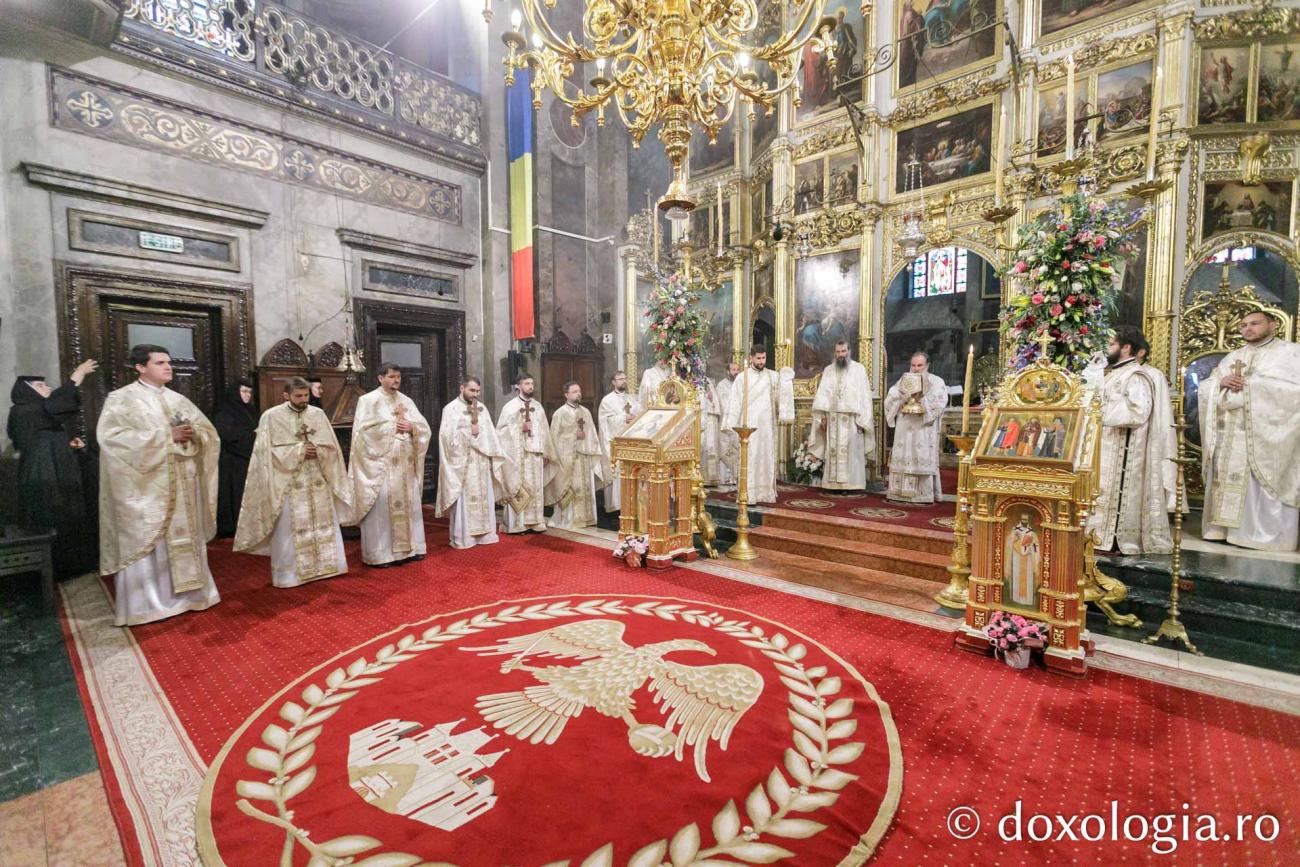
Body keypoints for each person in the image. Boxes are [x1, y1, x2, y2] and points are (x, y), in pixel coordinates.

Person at [98, 345, 221, 626]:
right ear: (140, 367)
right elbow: (113, 439)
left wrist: (195, 435)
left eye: (169, 362)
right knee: (151, 542)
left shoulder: (179, 399)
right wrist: (167, 436)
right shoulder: (121, 400)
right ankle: (148, 605)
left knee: (184, 540)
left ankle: (192, 596)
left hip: (183, 484)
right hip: (147, 488)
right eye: (160, 363)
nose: (168, 368)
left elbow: (208, 433)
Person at [235, 378, 351, 587]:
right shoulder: (271, 417)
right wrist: (298, 451)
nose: (304, 400)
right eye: (298, 396)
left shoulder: (318, 415)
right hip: (288, 482)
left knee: (323, 523)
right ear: (286, 396)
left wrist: (318, 449)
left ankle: (328, 566)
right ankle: (290, 575)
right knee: (289, 527)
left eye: (306, 395)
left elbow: (331, 446)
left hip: (317, 478)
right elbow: (264, 454)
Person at [1200, 310, 1300, 550]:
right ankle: (1224, 530)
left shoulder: (1290, 353)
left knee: (1260, 484)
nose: (1248, 329)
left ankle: (1262, 536)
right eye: (1244, 325)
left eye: (1255, 323)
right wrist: (1219, 384)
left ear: (1273, 324)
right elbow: (1208, 386)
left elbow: (1295, 392)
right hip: (1230, 437)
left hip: (1267, 437)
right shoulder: (1234, 357)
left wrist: (1253, 386)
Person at [1087, 327, 1175, 554]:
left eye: (1112, 344)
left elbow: (1138, 412)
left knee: (1115, 491)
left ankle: (1115, 540)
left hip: (1123, 449)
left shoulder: (1135, 375)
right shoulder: (1115, 373)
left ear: (1126, 347)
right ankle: (1099, 537)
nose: (1108, 350)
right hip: (1106, 446)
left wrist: (1098, 414)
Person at [8, 359, 100, 577]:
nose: (48, 388)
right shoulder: (24, 410)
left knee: (69, 514)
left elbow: (44, 437)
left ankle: (73, 565)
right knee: (52, 516)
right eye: (41, 386)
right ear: (28, 392)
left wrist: (68, 446)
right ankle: (57, 569)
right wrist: (77, 375)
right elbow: (57, 405)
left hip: (56, 472)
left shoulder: (35, 412)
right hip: (44, 476)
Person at [350, 363, 432, 566]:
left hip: (405, 466)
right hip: (381, 467)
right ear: (380, 378)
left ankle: (411, 549)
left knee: (408, 506)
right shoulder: (368, 401)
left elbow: (424, 428)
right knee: (382, 510)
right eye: (392, 376)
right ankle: (381, 555)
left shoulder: (406, 401)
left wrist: (412, 427)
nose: (396, 380)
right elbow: (362, 434)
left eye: (399, 377)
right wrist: (391, 427)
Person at [436, 376, 515, 548]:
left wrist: (492, 454)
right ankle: (465, 537)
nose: (475, 394)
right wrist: (468, 432)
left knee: (484, 498)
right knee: (465, 500)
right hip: (463, 464)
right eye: (472, 390)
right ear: (462, 388)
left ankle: (486, 535)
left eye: (477, 391)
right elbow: (446, 438)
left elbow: (491, 435)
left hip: (481, 462)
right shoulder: (451, 409)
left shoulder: (482, 408)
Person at [720, 347, 795, 504]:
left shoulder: (772, 376)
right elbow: (735, 400)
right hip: (749, 427)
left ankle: (765, 493)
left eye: (763, 358)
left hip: (767, 426)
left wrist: (787, 379)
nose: (761, 361)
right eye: (758, 358)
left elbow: (782, 396)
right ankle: (748, 494)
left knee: (766, 456)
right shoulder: (742, 377)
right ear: (752, 358)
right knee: (750, 457)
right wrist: (730, 423)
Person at [808, 341, 875, 491]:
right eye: (838, 352)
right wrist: (823, 416)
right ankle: (832, 485)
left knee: (852, 453)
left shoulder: (859, 370)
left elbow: (864, 396)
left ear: (849, 351)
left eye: (843, 351)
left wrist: (862, 419)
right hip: (833, 419)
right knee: (833, 452)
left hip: (851, 420)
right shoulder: (829, 370)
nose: (840, 355)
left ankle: (851, 485)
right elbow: (822, 395)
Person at [883, 351, 948, 504]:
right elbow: (889, 401)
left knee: (920, 456)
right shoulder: (903, 381)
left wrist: (922, 401)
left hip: (923, 429)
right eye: (913, 365)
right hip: (904, 429)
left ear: (927, 366)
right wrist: (901, 399)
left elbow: (939, 402)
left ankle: (922, 495)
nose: (916, 369)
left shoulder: (936, 382)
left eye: (920, 365)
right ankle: (898, 493)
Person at [497, 373, 554, 533]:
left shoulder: (538, 407)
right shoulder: (510, 407)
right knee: (517, 486)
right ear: (518, 387)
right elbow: (500, 432)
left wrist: (546, 453)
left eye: (532, 384)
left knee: (535, 488)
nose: (530, 387)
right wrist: (519, 428)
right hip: (517, 456)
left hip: (535, 456)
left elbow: (545, 431)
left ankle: (535, 522)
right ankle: (517, 524)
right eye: (527, 383)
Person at [545, 382, 607, 529]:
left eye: (579, 391)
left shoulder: (585, 412)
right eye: (574, 391)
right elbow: (553, 439)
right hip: (567, 459)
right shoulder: (560, 413)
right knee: (569, 487)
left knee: (584, 487)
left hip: (584, 458)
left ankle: (585, 518)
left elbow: (591, 433)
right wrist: (573, 436)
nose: (578, 394)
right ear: (566, 395)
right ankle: (567, 519)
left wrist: (591, 449)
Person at [213, 379, 257, 538]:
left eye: (250, 392)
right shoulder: (224, 412)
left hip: (250, 458)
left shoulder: (251, 411)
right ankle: (232, 527)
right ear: (235, 392)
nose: (248, 395)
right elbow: (227, 435)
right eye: (244, 391)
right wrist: (253, 438)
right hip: (232, 460)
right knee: (233, 492)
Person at [597, 371, 641, 510]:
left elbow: (639, 414)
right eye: (620, 379)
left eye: (625, 378)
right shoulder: (607, 400)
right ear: (613, 382)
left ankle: (631, 503)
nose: (623, 381)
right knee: (617, 475)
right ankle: (615, 506)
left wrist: (636, 418)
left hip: (631, 442)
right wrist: (624, 418)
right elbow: (606, 421)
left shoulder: (632, 399)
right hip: (615, 442)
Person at [713, 362, 741, 491]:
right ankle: (724, 478)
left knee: (736, 447)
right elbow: (721, 403)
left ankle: (735, 477)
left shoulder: (740, 385)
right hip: (725, 422)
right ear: (728, 371)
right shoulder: (721, 385)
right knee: (725, 447)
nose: (735, 372)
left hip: (738, 423)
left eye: (737, 369)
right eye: (733, 369)